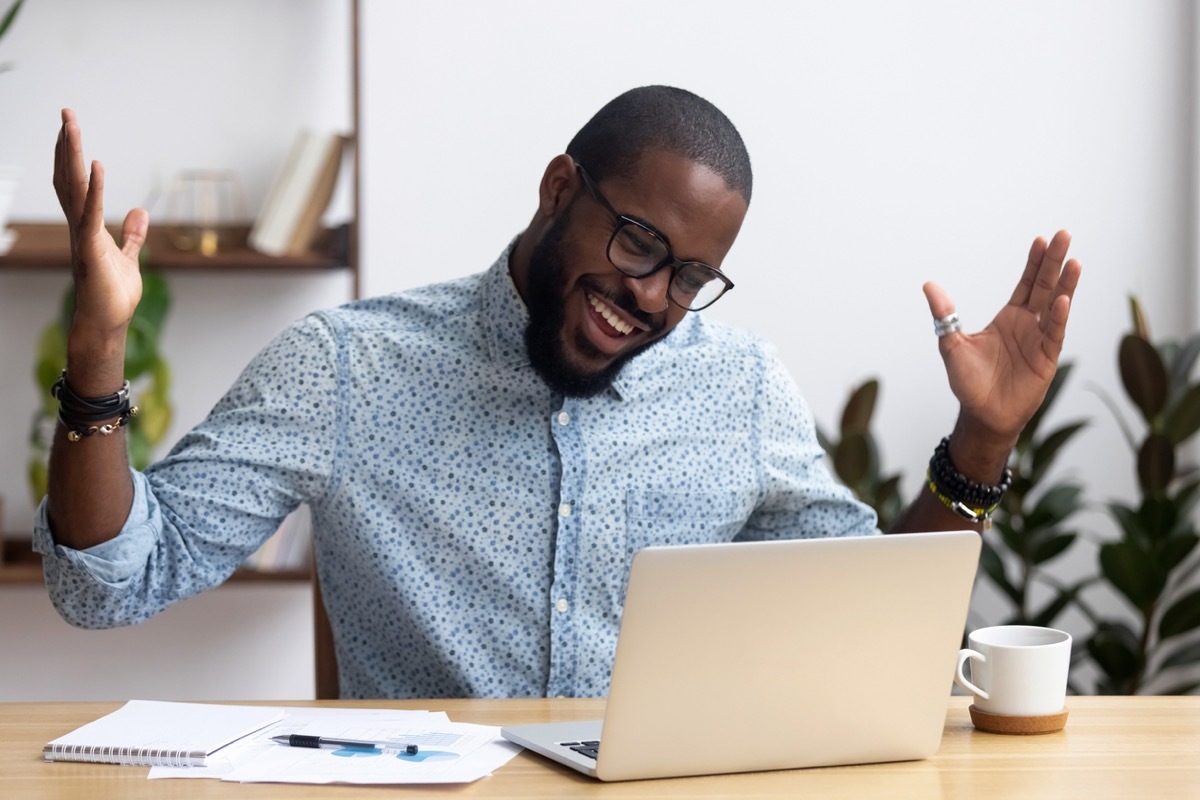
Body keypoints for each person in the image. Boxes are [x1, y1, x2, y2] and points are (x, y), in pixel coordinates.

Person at [38, 86, 1081, 699]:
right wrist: (98, 354)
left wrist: (982, 438)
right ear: (557, 191)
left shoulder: (740, 388)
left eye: (689, 276)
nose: (652, 296)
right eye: (639, 243)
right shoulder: (348, 366)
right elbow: (107, 583)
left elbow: (875, 627)